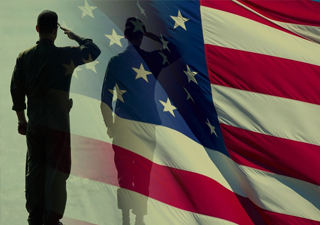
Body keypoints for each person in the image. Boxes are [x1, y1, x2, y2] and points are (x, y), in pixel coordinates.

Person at [10, 10, 101, 225]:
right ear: (55, 31)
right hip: (57, 127)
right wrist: (75, 36)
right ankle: (52, 219)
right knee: (57, 173)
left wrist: (22, 120)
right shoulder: (65, 55)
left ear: (37, 29)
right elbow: (94, 50)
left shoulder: (24, 57)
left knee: (35, 170)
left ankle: (34, 217)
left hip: (34, 125)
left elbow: (16, 90)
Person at [101, 17, 181, 225]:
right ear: (140, 36)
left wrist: (110, 126)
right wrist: (152, 35)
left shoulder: (116, 62)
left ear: (125, 36)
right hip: (147, 126)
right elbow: (175, 51)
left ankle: (126, 218)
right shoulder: (153, 60)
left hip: (123, 127)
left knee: (125, 173)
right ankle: (140, 219)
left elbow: (105, 99)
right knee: (144, 172)